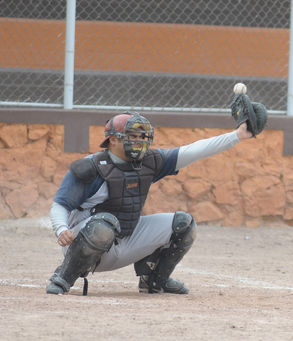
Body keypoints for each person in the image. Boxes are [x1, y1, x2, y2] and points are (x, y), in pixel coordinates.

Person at [46, 111, 254, 295]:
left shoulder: (149, 161)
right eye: (132, 137)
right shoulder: (91, 167)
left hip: (125, 239)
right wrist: (61, 229)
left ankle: (155, 280)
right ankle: (64, 277)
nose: (139, 142)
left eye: (141, 137)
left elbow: (195, 150)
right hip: (85, 245)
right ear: (113, 140)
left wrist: (238, 135)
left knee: (184, 224)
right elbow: (60, 205)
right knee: (104, 224)